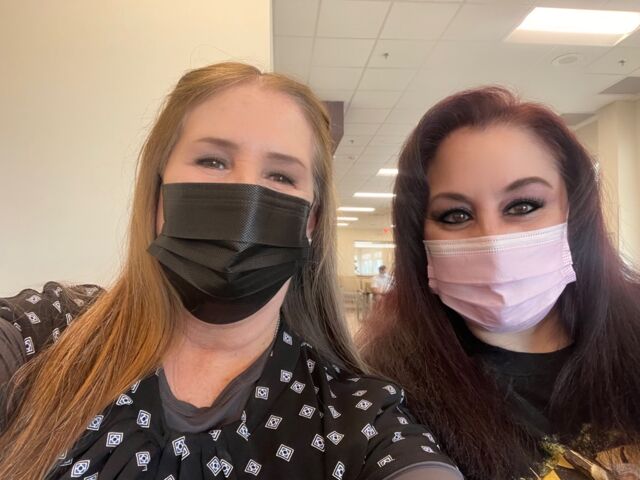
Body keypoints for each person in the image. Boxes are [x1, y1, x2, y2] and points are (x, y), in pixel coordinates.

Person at [0, 63, 461, 480]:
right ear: (158, 192)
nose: (245, 193)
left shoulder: (357, 418)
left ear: (311, 221)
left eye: (280, 176)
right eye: (212, 161)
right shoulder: (45, 334)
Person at [359, 86, 640, 480]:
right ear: (418, 238)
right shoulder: (388, 393)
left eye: (523, 206)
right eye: (455, 215)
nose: (492, 240)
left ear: (574, 213)